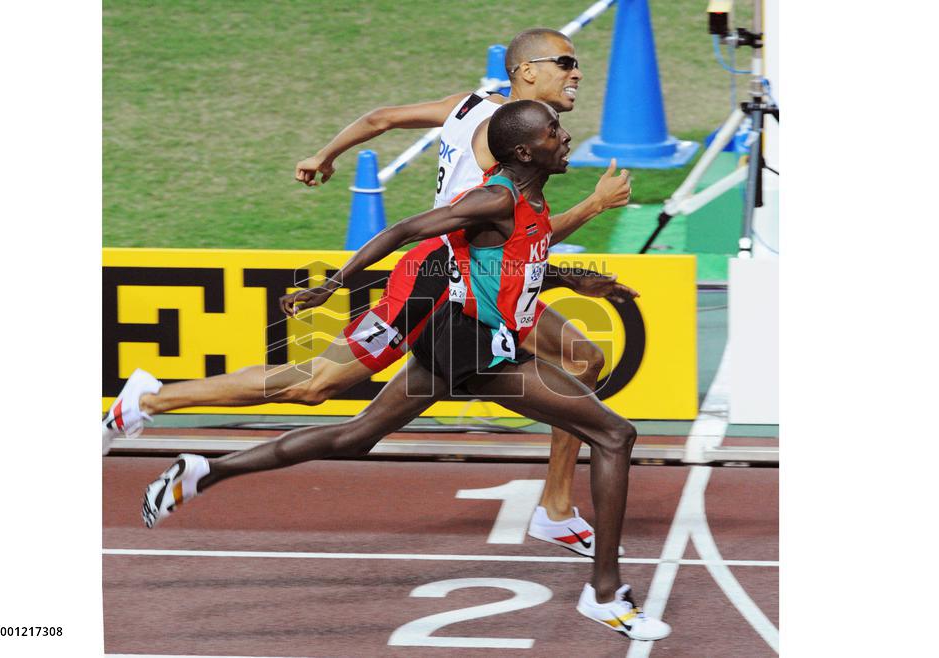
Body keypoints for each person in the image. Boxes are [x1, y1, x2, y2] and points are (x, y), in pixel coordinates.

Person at [141, 101, 669, 641]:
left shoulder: (530, 199)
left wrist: (577, 279)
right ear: (523, 150)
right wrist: (335, 282)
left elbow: (520, 260)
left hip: (456, 341)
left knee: (354, 436)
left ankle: (205, 472)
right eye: (553, 131)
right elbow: (404, 229)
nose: (566, 136)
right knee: (613, 435)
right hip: (479, 351)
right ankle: (605, 594)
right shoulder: (495, 197)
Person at [104, 27, 631, 557]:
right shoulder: (509, 139)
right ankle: (150, 399)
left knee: (582, 358)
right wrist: (592, 206)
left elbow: (382, 118)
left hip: (482, 282)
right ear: (527, 72)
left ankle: (556, 508)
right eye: (565, 63)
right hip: (433, 282)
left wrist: (324, 154)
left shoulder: (470, 105)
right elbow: (503, 226)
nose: (577, 72)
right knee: (315, 385)